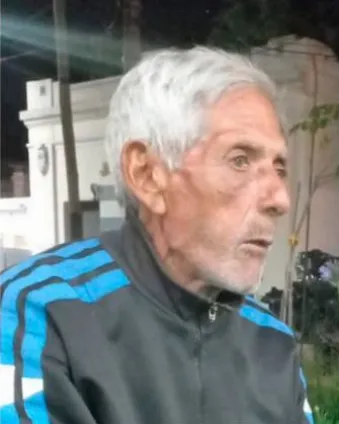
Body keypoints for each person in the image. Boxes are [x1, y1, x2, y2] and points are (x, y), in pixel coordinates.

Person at [0, 47, 314, 424]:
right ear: (147, 176)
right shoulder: (39, 311)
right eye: (240, 160)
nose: (280, 199)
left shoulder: (273, 342)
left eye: (279, 167)